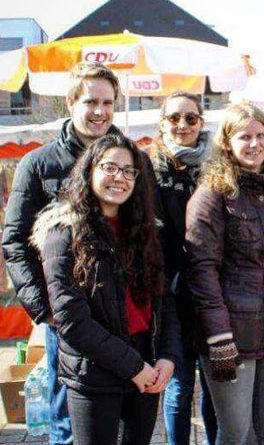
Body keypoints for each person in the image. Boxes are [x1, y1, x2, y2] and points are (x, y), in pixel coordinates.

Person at [2, 61, 122, 445]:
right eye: (90, 101)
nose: (100, 111)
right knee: (68, 426)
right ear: (71, 102)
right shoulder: (38, 164)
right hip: (68, 319)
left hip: (122, 318)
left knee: (124, 422)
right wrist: (46, 310)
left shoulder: (129, 160)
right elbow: (15, 243)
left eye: (107, 102)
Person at [33, 133, 179, 444]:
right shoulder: (63, 233)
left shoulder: (144, 231)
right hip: (95, 373)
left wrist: (167, 356)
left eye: (129, 171)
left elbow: (165, 300)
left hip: (147, 364)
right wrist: (133, 367)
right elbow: (71, 320)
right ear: (90, 170)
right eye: (110, 167)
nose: (120, 178)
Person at [185, 103, 264, 444]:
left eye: (260, 135)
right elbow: (201, 269)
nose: (254, 144)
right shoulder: (212, 194)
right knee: (236, 434)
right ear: (227, 142)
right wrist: (220, 339)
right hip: (231, 334)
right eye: (244, 136)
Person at [148, 91, 217, 445]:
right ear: (162, 124)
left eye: (190, 118)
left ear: (201, 124)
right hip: (170, 294)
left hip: (212, 293)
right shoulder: (148, 168)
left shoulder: (218, 167)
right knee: (179, 386)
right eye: (174, 118)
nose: (182, 125)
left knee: (213, 386)